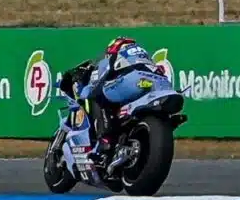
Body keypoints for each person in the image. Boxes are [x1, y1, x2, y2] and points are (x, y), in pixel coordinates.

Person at [59, 36, 169, 169]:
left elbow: (102, 75)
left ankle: (104, 140)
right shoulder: (144, 56)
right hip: (159, 85)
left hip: (135, 82)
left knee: (95, 95)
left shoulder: (117, 54)